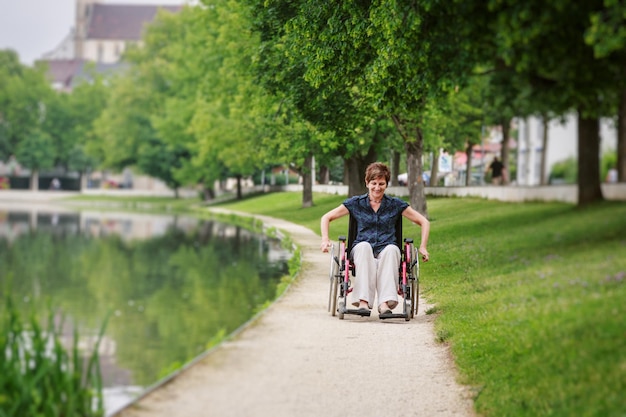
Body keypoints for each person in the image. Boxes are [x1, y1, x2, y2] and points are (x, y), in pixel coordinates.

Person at [320, 162, 430, 316]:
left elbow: (424, 222)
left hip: (387, 248)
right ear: (367, 183)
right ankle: (363, 302)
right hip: (361, 249)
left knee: (392, 250)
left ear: (386, 184)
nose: (377, 188)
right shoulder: (356, 203)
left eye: (381, 183)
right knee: (364, 247)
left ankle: (384, 304)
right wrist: (325, 239)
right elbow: (327, 217)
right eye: (374, 183)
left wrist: (423, 246)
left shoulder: (395, 205)